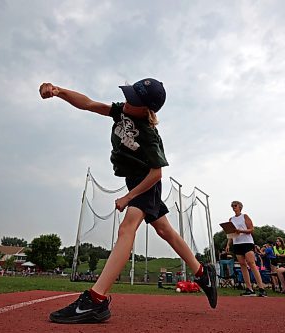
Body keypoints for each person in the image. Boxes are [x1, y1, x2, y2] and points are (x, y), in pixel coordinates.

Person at [40, 78, 217, 324]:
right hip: (135, 180)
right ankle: (202, 273)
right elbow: (90, 104)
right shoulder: (122, 112)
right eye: (128, 94)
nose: (126, 100)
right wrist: (59, 91)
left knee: (126, 229)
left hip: (146, 182)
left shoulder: (148, 133)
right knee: (165, 230)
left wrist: (129, 197)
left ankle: (96, 300)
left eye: (133, 99)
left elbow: (157, 172)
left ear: (146, 109)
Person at [225, 201, 268, 297]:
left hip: (247, 242)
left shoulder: (245, 216)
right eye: (232, 206)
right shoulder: (231, 219)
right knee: (242, 264)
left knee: (251, 263)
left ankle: (261, 288)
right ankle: (249, 288)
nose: (233, 207)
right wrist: (228, 244)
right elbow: (230, 234)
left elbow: (251, 229)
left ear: (240, 207)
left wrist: (241, 231)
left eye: (235, 206)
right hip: (237, 243)